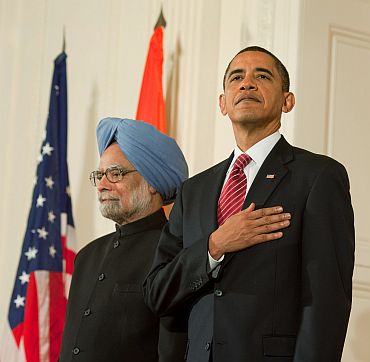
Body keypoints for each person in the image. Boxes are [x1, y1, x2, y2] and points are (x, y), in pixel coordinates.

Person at [143, 46, 355, 362]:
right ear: (223, 103)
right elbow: (158, 293)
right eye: (237, 77)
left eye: (262, 76)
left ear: (287, 100)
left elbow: (326, 302)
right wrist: (214, 245)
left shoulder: (319, 176)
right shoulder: (193, 190)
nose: (247, 84)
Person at [59, 117, 189, 362]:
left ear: (152, 182)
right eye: (99, 175)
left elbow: (172, 351)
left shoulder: (175, 251)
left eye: (115, 174)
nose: (102, 186)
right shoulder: (87, 256)